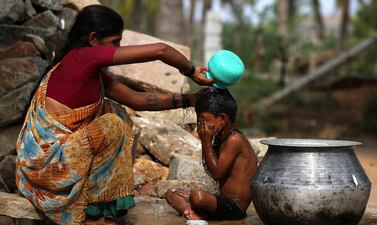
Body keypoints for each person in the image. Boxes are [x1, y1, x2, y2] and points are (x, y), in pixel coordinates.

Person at [15, 5, 214, 225]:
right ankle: (96, 216)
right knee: (112, 124)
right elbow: (161, 50)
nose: (118, 49)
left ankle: (100, 208)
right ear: (93, 39)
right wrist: (191, 70)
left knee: (114, 110)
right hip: (47, 170)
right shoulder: (81, 60)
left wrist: (190, 100)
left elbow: (138, 100)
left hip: (61, 163)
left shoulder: (91, 72)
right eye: (115, 42)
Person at [165, 87, 258, 221]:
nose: (199, 124)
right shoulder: (220, 138)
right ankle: (191, 213)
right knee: (171, 193)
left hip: (234, 207)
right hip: (220, 203)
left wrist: (206, 142)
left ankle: (197, 214)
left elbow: (216, 173)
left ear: (222, 119)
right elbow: (208, 167)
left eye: (202, 119)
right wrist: (208, 142)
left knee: (198, 197)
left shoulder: (235, 140)